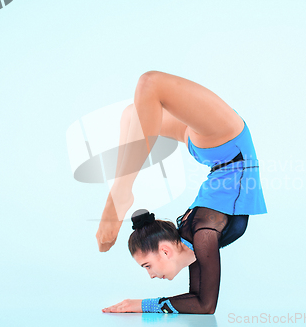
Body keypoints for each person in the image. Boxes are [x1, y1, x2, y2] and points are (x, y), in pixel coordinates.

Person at [98, 70, 267, 314]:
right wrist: (139, 304)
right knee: (133, 115)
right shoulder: (193, 242)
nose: (151, 276)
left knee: (149, 85)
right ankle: (121, 190)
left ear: (165, 251)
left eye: (147, 266)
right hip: (214, 150)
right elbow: (198, 300)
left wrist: (141, 306)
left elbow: (205, 305)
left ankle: (121, 192)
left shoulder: (202, 234)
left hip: (226, 143)